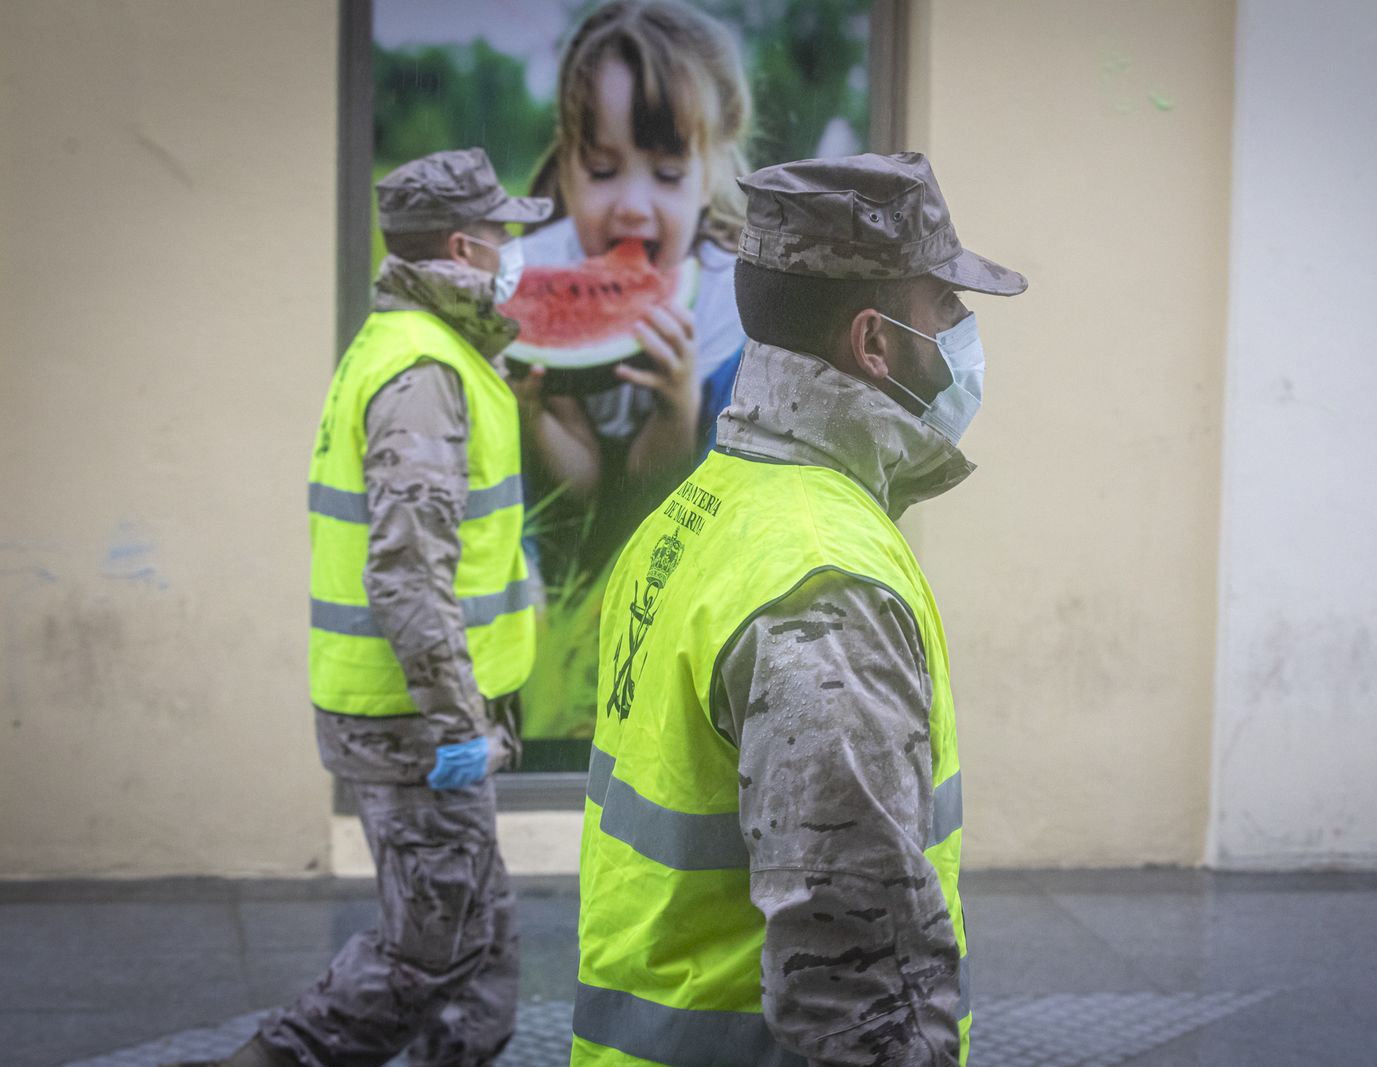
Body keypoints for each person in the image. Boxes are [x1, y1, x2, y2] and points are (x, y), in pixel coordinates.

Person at [571, 152, 1027, 1066]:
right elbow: (854, 994)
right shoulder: (828, 589)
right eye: (945, 307)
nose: (965, 332)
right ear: (875, 342)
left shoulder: (705, 508)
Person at [173, 148, 547, 1067]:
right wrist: (460, 719)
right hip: (418, 721)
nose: (512, 251)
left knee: (485, 937)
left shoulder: (426, 349)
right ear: (463, 246)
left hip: (432, 714)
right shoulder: (421, 372)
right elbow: (407, 570)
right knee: (435, 945)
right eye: (501, 234)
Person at [510, 0, 754, 748]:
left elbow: (660, 493)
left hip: (674, 530)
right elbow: (579, 491)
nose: (632, 207)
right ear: (571, 165)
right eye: (605, 171)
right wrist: (530, 412)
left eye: (668, 173)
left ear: (709, 173)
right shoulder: (536, 272)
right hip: (561, 550)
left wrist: (677, 406)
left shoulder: (725, 304)